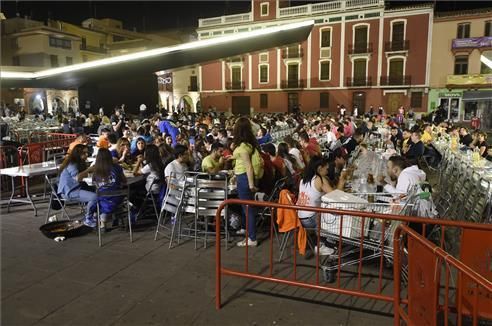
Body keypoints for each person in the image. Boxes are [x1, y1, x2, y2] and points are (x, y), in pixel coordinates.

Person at [296, 156, 337, 255]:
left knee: (326, 210)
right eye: (326, 168)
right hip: (311, 219)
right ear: (319, 168)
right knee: (336, 214)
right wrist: (342, 180)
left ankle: (325, 242)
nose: (327, 170)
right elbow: (335, 196)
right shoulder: (319, 179)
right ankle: (323, 245)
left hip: (300, 217)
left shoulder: (304, 179)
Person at [232, 117, 260, 247]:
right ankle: (247, 230)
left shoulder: (243, 147)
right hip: (242, 176)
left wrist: (250, 184)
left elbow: (248, 166)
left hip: (244, 178)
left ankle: (252, 238)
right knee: (246, 208)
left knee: (247, 208)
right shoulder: (248, 144)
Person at [57, 144, 97, 227]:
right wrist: (89, 169)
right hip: (70, 191)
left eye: (87, 152)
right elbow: (78, 178)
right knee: (95, 197)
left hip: (77, 188)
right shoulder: (72, 164)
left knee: (97, 191)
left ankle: (94, 214)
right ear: (78, 154)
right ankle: (88, 218)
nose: (87, 155)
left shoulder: (79, 162)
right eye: (84, 153)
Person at [92, 148, 127, 228]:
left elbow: (95, 185)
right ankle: (116, 216)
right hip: (117, 198)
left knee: (97, 199)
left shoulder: (95, 171)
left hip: (103, 199)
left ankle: (101, 219)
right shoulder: (117, 167)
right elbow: (124, 181)